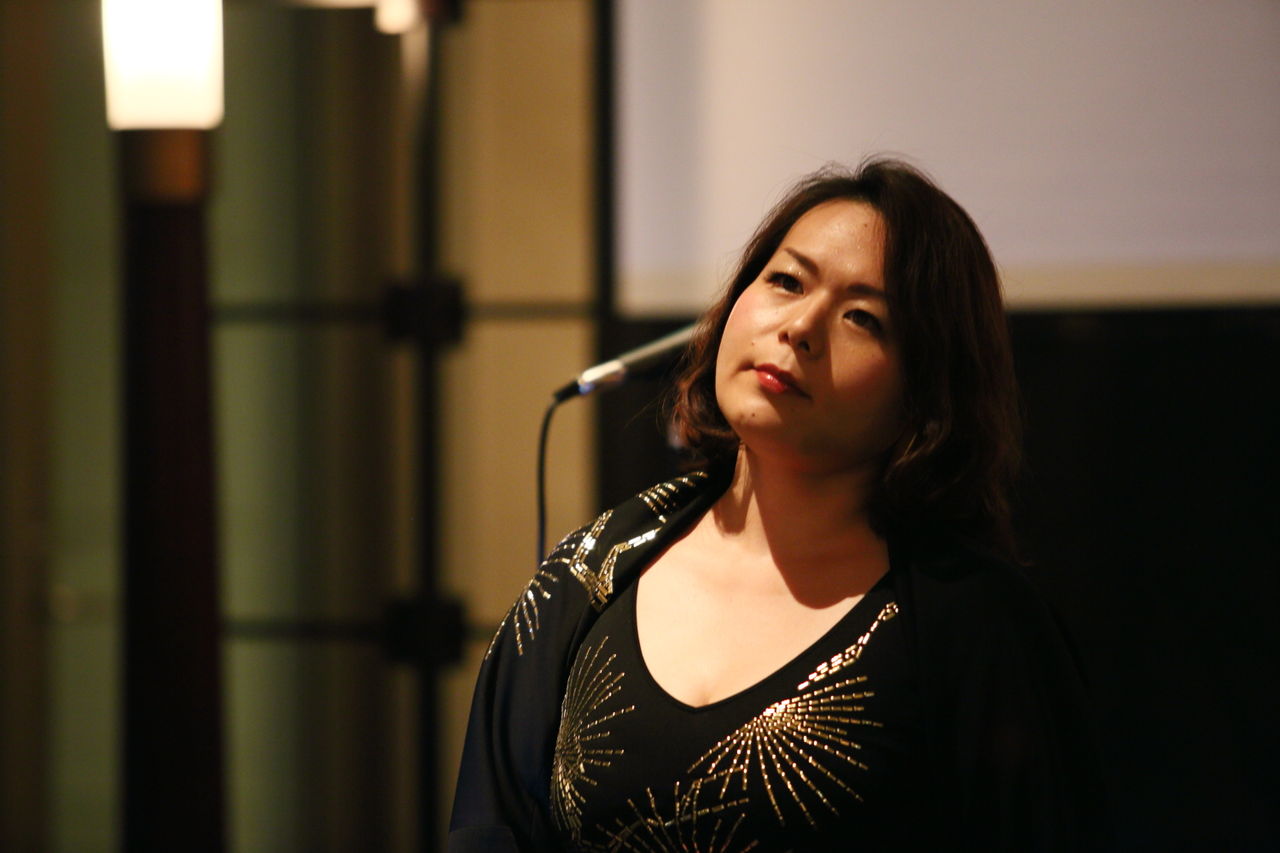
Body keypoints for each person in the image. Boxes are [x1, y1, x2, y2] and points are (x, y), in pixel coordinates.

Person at [448, 158, 1109, 852]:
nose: (801, 327)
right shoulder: (591, 571)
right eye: (787, 281)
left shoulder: (977, 624)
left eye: (863, 317)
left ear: (927, 393)